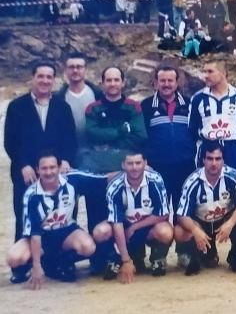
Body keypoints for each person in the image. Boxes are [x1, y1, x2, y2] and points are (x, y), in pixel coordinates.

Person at [4, 62, 77, 244]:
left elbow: (70, 138)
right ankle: (22, 267)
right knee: (25, 217)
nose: (45, 81)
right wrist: (24, 165)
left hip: (57, 172)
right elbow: (10, 142)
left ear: (54, 80)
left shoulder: (63, 107)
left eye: (49, 77)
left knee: (61, 217)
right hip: (26, 173)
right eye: (41, 76)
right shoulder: (16, 106)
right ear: (33, 78)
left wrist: (66, 161)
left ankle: (61, 262)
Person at [5, 153, 97, 287]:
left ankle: (62, 262)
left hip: (66, 232)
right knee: (14, 258)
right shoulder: (32, 195)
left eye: (52, 167)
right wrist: (36, 266)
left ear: (59, 167)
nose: (49, 172)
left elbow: (102, 180)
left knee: (88, 247)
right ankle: (45, 263)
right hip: (42, 237)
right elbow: (35, 233)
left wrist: (127, 174)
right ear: (37, 170)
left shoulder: (72, 180)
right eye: (44, 168)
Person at [93, 151, 173, 282]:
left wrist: (135, 227)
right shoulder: (115, 186)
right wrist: (126, 260)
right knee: (100, 232)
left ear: (145, 163)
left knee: (165, 231)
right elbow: (116, 223)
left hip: (148, 227)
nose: (134, 167)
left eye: (138, 163)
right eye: (130, 163)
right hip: (123, 228)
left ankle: (157, 259)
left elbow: (163, 214)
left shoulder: (155, 180)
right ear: (123, 165)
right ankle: (115, 260)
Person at [175, 142, 236, 275]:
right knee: (180, 231)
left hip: (224, 220)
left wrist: (230, 223)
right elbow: (181, 215)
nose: (214, 163)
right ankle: (200, 255)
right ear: (203, 160)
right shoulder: (192, 181)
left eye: (218, 159)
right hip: (202, 223)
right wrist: (195, 230)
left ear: (223, 160)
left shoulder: (232, 176)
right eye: (210, 158)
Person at [141, 66, 195, 216]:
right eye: (162, 80)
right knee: (158, 215)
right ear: (156, 83)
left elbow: (197, 133)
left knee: (184, 214)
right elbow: (141, 136)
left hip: (185, 167)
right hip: (157, 168)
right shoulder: (146, 106)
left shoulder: (190, 104)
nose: (166, 84)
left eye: (170, 80)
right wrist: (144, 159)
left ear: (177, 83)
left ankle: (183, 240)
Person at [188, 60, 236, 184]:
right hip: (208, 149)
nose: (205, 75)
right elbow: (192, 129)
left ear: (223, 73)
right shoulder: (198, 98)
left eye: (210, 71)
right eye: (204, 71)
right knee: (206, 189)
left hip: (233, 148)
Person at [85, 67, 147, 173]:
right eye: (108, 80)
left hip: (129, 165)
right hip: (100, 165)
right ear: (102, 83)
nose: (112, 84)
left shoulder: (133, 106)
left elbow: (141, 136)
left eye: (116, 80)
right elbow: (92, 134)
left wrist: (108, 144)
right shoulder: (93, 108)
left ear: (123, 83)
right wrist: (120, 132)